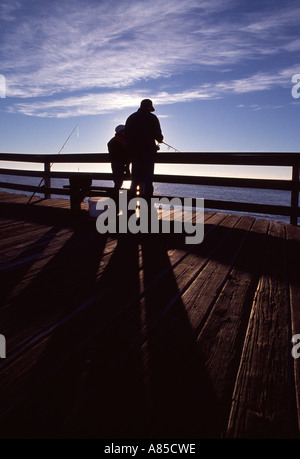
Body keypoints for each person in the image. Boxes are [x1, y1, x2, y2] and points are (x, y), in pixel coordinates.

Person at [125, 99, 163, 201]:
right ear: (149, 107)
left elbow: (126, 135)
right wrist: (160, 140)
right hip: (148, 153)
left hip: (134, 153)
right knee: (148, 180)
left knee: (135, 179)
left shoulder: (131, 118)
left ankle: (131, 204)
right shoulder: (152, 118)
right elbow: (158, 136)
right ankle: (148, 204)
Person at [107, 124, 131, 189]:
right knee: (119, 182)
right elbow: (125, 153)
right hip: (121, 164)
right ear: (121, 132)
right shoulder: (122, 140)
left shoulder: (112, 140)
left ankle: (116, 196)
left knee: (117, 182)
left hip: (115, 163)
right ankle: (117, 197)